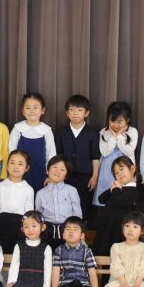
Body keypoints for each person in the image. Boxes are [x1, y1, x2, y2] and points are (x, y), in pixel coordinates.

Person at [54, 94, 101, 222]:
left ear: (87, 113)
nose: (75, 113)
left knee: (84, 206)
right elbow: (58, 156)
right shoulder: (61, 133)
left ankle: (82, 231)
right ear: (66, 113)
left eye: (79, 110)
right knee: (65, 204)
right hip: (66, 176)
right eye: (72, 110)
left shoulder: (92, 133)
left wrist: (95, 176)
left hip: (86, 177)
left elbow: (95, 156)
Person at [92, 101, 138, 225]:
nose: (116, 125)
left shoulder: (133, 131)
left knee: (123, 199)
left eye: (120, 122)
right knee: (106, 199)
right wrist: (113, 137)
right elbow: (105, 152)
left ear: (127, 120)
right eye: (113, 121)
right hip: (106, 169)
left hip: (125, 170)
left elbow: (128, 151)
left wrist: (119, 136)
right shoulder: (104, 132)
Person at [91, 156, 140, 256]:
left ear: (132, 169)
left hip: (118, 230)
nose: (119, 174)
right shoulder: (117, 189)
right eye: (116, 173)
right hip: (106, 226)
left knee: (115, 255)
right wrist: (111, 189)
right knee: (101, 251)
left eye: (121, 169)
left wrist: (116, 189)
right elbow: (101, 199)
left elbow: (118, 200)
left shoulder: (135, 190)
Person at [8, 92, 57, 189]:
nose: (31, 111)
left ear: (42, 110)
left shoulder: (46, 130)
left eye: (35, 107)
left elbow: (51, 155)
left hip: (41, 172)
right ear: (23, 111)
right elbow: (11, 151)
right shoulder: (18, 129)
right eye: (28, 108)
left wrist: (50, 175)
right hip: (20, 172)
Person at [0, 150, 36, 254]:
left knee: (18, 253)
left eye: (20, 164)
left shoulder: (29, 189)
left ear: (27, 168)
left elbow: (29, 213)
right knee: (2, 253)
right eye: (12, 163)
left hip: (19, 226)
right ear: (7, 166)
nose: (16, 166)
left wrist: (27, 229)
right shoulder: (0, 186)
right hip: (3, 224)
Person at [36, 155, 82, 247]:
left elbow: (77, 213)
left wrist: (78, 231)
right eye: (55, 167)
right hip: (47, 231)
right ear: (47, 170)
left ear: (66, 175)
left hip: (67, 230)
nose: (58, 171)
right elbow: (38, 215)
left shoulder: (71, 190)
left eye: (62, 169)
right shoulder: (40, 193)